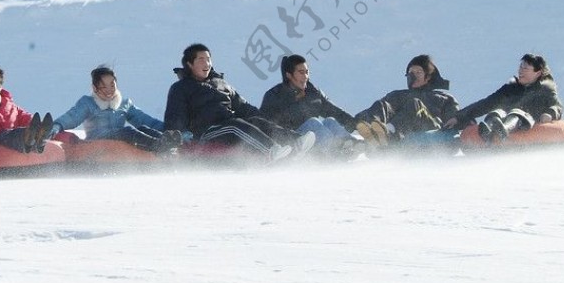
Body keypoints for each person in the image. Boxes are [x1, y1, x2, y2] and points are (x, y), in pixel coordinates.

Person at [164, 43, 310, 162]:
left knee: (254, 121)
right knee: (235, 126)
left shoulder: (221, 83)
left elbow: (242, 106)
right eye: (201, 59)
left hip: (227, 124)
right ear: (190, 64)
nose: (206, 63)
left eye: (208, 59)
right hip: (205, 131)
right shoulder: (181, 88)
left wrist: (262, 118)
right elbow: (175, 115)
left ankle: (295, 141)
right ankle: (270, 150)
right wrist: (181, 136)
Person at [48, 66, 182, 152]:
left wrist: (168, 129)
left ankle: (168, 141)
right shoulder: (88, 103)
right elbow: (72, 117)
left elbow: (144, 120)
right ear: (94, 88)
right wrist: (56, 126)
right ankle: (159, 145)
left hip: (121, 139)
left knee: (142, 129)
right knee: (128, 131)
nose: (109, 91)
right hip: (97, 141)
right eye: (103, 87)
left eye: (112, 86)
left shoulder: (123, 103)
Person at [445, 53, 564, 143]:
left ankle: (503, 131)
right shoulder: (510, 88)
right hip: (504, 118)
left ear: (538, 73)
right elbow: (486, 103)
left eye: (525, 68)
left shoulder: (545, 90)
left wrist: (550, 113)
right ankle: (489, 131)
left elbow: (557, 106)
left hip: (528, 122)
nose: (520, 71)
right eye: (520, 67)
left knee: (516, 113)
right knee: (497, 111)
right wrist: (459, 117)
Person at [259, 54, 362, 153]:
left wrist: (356, 124)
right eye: (301, 72)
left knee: (330, 121)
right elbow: (265, 125)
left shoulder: (313, 93)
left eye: (307, 72)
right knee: (313, 123)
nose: (305, 76)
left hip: (318, 142)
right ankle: (333, 151)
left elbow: (334, 111)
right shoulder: (274, 96)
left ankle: (352, 145)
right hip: (294, 144)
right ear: (289, 75)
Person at [351, 54, 460, 147]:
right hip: (402, 135)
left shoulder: (444, 98)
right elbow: (374, 110)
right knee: (382, 104)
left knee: (414, 104)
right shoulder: (397, 95)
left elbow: (454, 120)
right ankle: (374, 133)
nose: (413, 76)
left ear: (428, 77)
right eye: (411, 72)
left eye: (418, 72)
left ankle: (388, 132)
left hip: (431, 129)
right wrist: (358, 121)